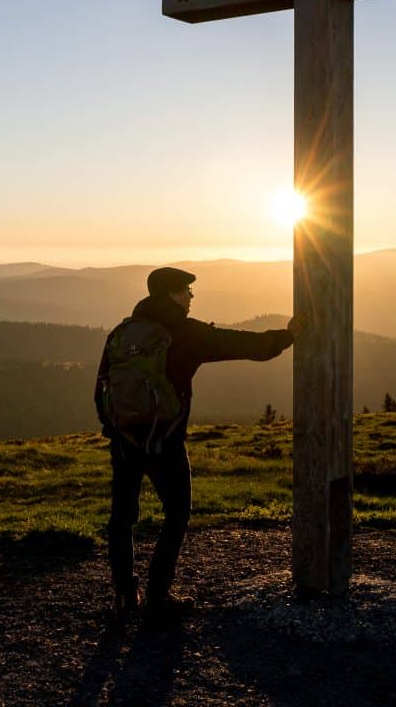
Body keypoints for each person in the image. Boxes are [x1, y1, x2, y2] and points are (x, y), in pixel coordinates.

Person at [96, 266, 301, 625]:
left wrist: (113, 430)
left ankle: (124, 594)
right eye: (187, 291)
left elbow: (102, 386)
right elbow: (245, 345)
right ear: (172, 294)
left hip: (124, 442)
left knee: (122, 517)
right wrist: (286, 336)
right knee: (176, 514)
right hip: (166, 441)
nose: (191, 297)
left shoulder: (122, 332)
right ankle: (158, 595)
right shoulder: (185, 333)